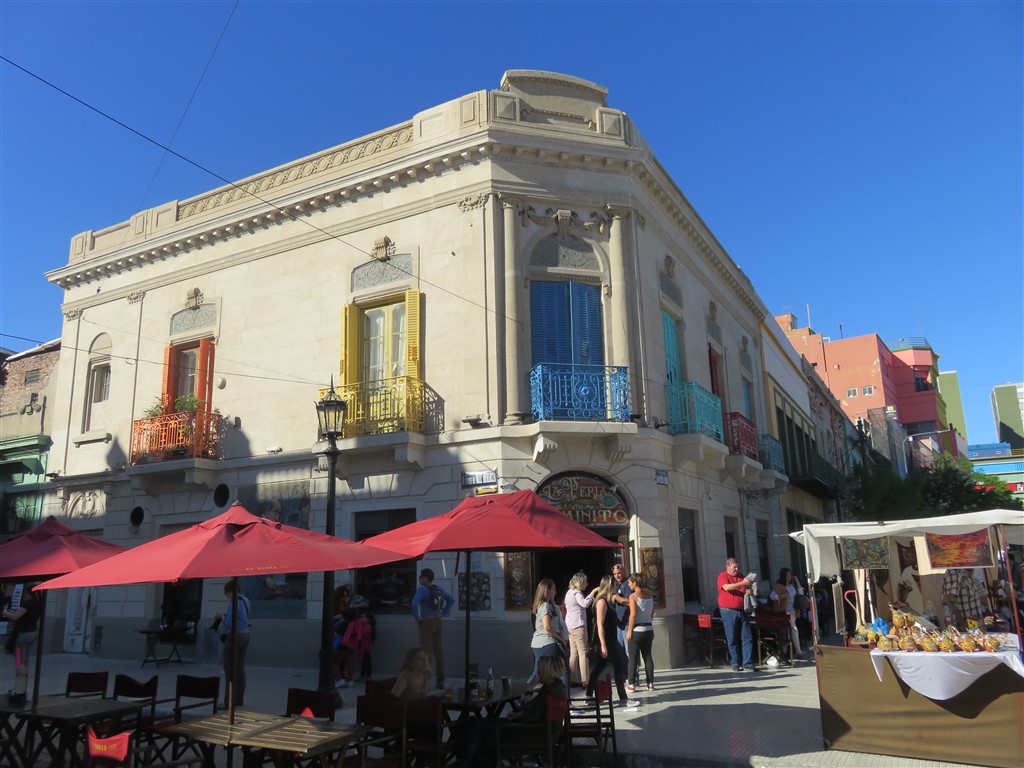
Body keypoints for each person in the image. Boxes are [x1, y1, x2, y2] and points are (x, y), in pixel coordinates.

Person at [460, 654, 568, 767]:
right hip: (540, 732)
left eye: (540, 670)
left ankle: (464, 764)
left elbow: (530, 715)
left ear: (547, 672)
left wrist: (529, 691)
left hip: (530, 734)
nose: (538, 673)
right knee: (478, 725)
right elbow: (538, 712)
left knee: (481, 734)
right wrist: (518, 714)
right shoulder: (559, 688)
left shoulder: (549, 692)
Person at [586, 576, 634, 708]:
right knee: (618, 666)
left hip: (610, 638)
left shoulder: (608, 600)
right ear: (608, 586)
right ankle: (623, 698)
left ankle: (589, 694)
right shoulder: (602, 602)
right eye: (614, 586)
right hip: (607, 639)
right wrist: (603, 645)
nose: (615, 588)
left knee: (600, 666)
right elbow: (600, 624)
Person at [410, 568, 453, 690]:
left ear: (426, 578)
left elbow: (414, 605)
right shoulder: (438, 589)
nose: (419, 578)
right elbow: (451, 600)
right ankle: (440, 680)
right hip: (438, 621)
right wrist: (443, 614)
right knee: (438, 652)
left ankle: (426, 682)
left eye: (421, 576)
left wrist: (418, 619)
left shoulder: (422, 590)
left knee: (426, 652)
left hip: (426, 622)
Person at [3, 583, 40, 704]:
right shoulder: (38, 604)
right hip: (33, 633)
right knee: (26, 661)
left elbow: (15, 617)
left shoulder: (27, 604)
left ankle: (19, 690)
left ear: (29, 593)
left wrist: (5, 612)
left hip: (23, 635)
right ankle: (23, 688)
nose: (24, 594)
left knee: (19, 662)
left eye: (25, 592)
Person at [216, 580, 251, 707]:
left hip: (234, 637)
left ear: (231, 591)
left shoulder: (234, 602)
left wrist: (222, 617)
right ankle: (239, 699)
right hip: (245, 635)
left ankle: (228, 701)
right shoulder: (246, 600)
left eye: (227, 594)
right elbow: (241, 617)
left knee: (230, 669)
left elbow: (228, 623)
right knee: (240, 668)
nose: (227, 596)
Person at [717, 557, 755, 672]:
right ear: (728, 566)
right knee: (732, 638)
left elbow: (748, 589)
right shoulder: (723, 576)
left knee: (747, 637)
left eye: (738, 567)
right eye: (734, 567)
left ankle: (747, 663)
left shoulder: (741, 576)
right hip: (728, 611)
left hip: (742, 610)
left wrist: (750, 591)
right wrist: (742, 583)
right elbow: (726, 587)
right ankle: (735, 662)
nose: (737, 569)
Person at [528, 579, 567, 687]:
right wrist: (560, 639)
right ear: (547, 590)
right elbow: (547, 627)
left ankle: (526, 693)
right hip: (548, 642)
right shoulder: (545, 606)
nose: (555, 592)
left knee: (538, 673)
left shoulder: (543, 605)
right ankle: (563, 695)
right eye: (553, 589)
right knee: (563, 668)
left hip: (538, 643)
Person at [563, 571, 597, 689]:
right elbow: (584, 604)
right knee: (583, 653)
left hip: (570, 625)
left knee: (573, 653)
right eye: (585, 582)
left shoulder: (569, 592)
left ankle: (573, 679)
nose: (587, 584)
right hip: (578, 625)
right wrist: (592, 593)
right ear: (580, 582)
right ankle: (585, 680)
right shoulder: (577, 593)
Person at [625, 573, 656, 692]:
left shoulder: (633, 596)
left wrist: (629, 630)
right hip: (649, 628)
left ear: (635, 583)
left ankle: (631, 684)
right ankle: (650, 683)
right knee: (647, 656)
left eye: (630, 582)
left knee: (633, 657)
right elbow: (652, 612)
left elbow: (633, 614)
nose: (628, 584)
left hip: (637, 629)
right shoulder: (650, 596)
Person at [770, 567, 804, 657]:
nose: (789, 577)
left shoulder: (792, 586)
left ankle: (796, 651)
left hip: (793, 611)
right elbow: (772, 596)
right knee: (787, 631)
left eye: (790, 575)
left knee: (793, 630)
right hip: (784, 611)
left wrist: (797, 582)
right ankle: (787, 651)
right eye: (787, 575)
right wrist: (782, 596)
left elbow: (801, 594)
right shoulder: (779, 586)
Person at [610, 563, 632, 676]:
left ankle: (633, 676)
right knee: (620, 650)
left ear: (624, 572)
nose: (617, 576)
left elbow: (630, 601)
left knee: (629, 651)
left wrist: (616, 597)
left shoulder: (628, 584)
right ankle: (626, 675)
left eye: (619, 573)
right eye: (615, 574)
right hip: (619, 623)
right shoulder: (616, 585)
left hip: (627, 623)